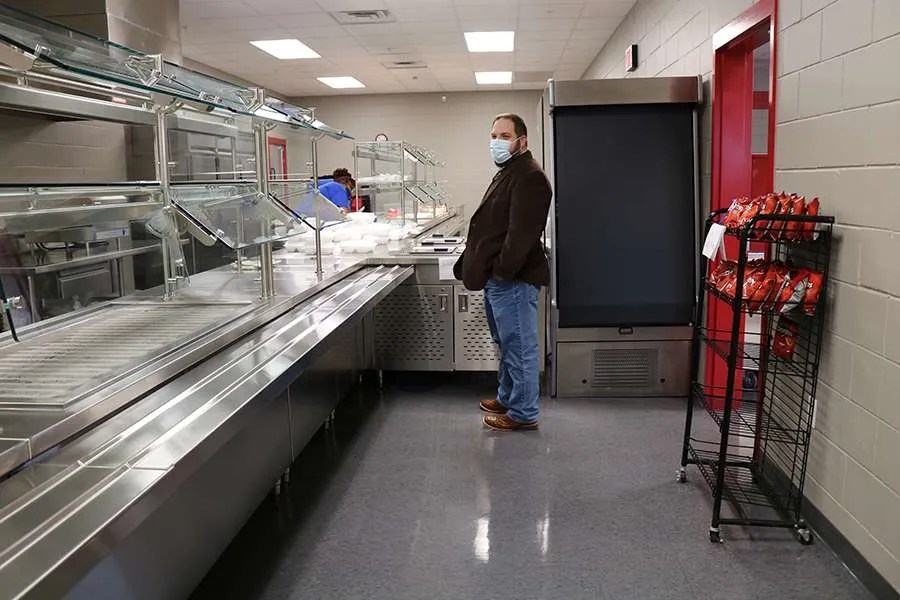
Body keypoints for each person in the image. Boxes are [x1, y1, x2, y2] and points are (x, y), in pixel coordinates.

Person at [453, 113, 552, 431]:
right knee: (507, 342)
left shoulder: (530, 176)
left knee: (520, 345)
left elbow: (520, 235)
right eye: (493, 135)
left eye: (504, 136)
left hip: (513, 279)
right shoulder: (510, 171)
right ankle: (509, 397)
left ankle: (523, 413)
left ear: (522, 141)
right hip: (500, 278)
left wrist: (501, 271)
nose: (496, 142)